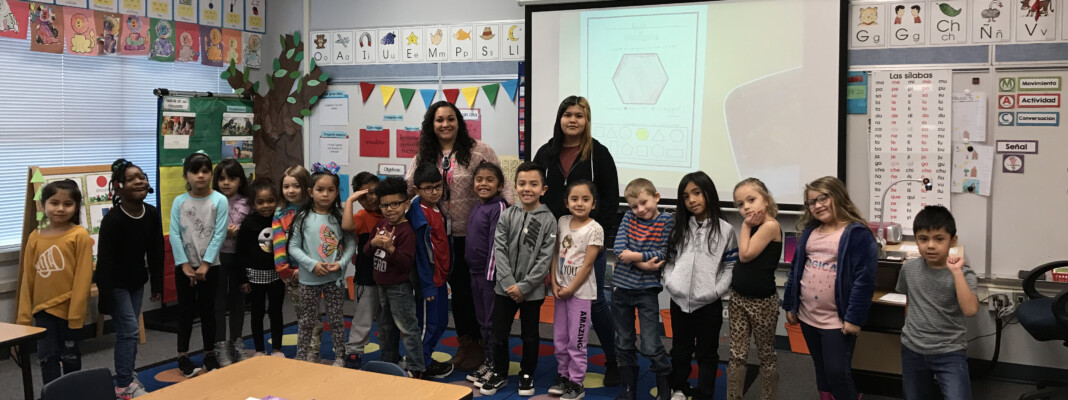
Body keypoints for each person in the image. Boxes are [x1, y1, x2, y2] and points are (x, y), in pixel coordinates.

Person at [405, 101, 515, 369]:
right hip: (440, 236)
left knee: (474, 291)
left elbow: (501, 183)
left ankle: (482, 345)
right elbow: (410, 185)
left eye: (451, 118)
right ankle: (465, 343)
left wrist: (511, 216)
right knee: (455, 293)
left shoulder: (479, 150)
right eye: (439, 120)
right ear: (431, 125)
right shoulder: (424, 155)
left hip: (475, 234)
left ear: (459, 122)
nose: (445, 124)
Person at [532, 95, 621, 385]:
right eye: (567, 114)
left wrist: (598, 236)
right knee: (559, 300)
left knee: (595, 304)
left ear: (587, 120)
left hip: (587, 244)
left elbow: (609, 198)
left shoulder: (599, 154)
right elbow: (534, 191)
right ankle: (565, 364)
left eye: (579, 115)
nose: (572, 120)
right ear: (560, 118)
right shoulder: (546, 152)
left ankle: (612, 360)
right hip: (554, 241)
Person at [782, 176, 878, 400]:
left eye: (822, 198)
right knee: (821, 368)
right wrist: (790, 305)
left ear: (838, 196)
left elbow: (864, 280)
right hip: (808, 315)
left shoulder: (856, 234)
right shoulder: (811, 232)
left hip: (837, 319)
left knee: (837, 371)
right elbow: (796, 271)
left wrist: (854, 318)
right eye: (811, 202)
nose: (817, 205)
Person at [479, 162, 557, 396]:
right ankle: (500, 372)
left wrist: (523, 286)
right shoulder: (507, 215)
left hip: (531, 292)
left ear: (543, 189)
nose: (527, 189)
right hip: (504, 289)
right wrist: (509, 283)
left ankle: (526, 373)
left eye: (533, 184)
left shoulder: (549, 220)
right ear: (514, 188)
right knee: (499, 333)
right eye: (522, 184)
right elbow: (499, 249)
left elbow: (544, 259)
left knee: (530, 334)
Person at [663, 171, 738, 400]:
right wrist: (670, 283)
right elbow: (670, 261)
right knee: (680, 349)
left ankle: (705, 393)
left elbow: (730, 266)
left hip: (708, 304)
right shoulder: (679, 227)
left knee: (707, 353)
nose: (692, 200)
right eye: (686, 196)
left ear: (709, 193)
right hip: (678, 301)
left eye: (697, 193)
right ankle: (679, 387)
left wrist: (716, 291)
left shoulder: (726, 230)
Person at [95, 159, 164, 398]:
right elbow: (104, 262)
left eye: (142, 176)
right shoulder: (113, 220)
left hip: (137, 281)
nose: (139, 181)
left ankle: (127, 374)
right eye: (132, 178)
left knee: (130, 331)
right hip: (115, 284)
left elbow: (155, 251)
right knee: (129, 331)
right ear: (118, 186)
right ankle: (124, 385)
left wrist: (157, 283)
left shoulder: (151, 213)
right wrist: (105, 299)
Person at [17, 180, 93, 386]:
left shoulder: (79, 235)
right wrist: (23, 318)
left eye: (68, 204)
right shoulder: (35, 237)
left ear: (76, 207)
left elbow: (82, 278)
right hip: (43, 312)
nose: (60, 208)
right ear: (43, 205)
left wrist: (76, 316)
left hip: (69, 311)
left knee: (70, 357)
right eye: (54, 203)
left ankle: (71, 393)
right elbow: (28, 279)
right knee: (47, 357)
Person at [897, 205, 977, 400]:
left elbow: (970, 310)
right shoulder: (909, 269)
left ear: (952, 241)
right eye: (923, 239)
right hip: (913, 348)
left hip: (949, 351)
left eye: (939, 239)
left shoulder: (964, 273)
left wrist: (956, 272)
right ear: (916, 240)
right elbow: (909, 302)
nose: (930, 245)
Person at [611, 178, 674, 400]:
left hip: (647, 290)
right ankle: (629, 389)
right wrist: (641, 263)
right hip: (621, 288)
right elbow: (619, 247)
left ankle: (665, 382)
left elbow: (663, 253)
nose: (639, 209)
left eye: (644, 202)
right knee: (623, 341)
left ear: (656, 197)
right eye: (634, 206)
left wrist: (633, 256)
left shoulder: (667, 221)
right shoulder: (629, 217)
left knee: (650, 343)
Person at [288, 163, 355, 366]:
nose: (325, 194)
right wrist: (312, 265)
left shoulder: (340, 216)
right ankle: (301, 356)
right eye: (320, 189)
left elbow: (351, 243)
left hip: (334, 279)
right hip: (309, 280)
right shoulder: (302, 217)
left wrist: (341, 264)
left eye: (330, 190)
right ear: (310, 192)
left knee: (336, 320)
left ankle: (340, 357)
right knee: (307, 321)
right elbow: (293, 247)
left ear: (337, 192)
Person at [169, 151, 228, 377]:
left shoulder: (219, 200)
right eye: (195, 172)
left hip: (210, 266)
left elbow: (219, 233)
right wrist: (184, 265)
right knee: (185, 311)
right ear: (186, 176)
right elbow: (175, 234)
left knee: (208, 311)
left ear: (211, 174)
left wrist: (205, 264)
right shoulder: (179, 201)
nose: (200, 176)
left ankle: (209, 353)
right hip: (184, 266)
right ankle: (182, 355)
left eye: (205, 171)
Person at [727, 178, 783, 400]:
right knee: (736, 354)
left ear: (766, 199)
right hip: (739, 298)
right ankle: (733, 396)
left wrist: (747, 225)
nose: (746, 207)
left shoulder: (770, 226)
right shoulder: (753, 226)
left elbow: (745, 254)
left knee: (766, 354)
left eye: (751, 200)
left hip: (762, 303)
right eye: (740, 204)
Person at [549, 179, 604, 400]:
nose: (579, 203)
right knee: (560, 338)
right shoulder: (561, 221)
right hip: (560, 291)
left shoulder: (595, 229)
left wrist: (571, 288)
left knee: (576, 340)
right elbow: (555, 254)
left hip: (579, 294)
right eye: (574, 199)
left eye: (585, 199)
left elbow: (588, 264)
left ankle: (576, 382)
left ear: (593, 204)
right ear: (566, 202)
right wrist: (554, 282)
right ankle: (563, 376)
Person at [367, 177, 424, 377]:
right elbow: (367, 252)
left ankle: (416, 368)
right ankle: (389, 362)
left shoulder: (406, 231)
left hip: (400, 288)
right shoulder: (381, 224)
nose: (389, 209)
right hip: (382, 285)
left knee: (407, 328)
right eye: (384, 205)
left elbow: (405, 263)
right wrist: (373, 243)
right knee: (385, 328)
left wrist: (390, 248)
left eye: (395, 204)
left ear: (406, 204)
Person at [408, 163, 455, 379]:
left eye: (437, 186)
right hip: (428, 281)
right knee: (427, 325)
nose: (434, 191)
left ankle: (426, 358)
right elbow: (419, 255)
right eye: (428, 188)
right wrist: (426, 285)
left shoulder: (438, 208)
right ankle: (419, 366)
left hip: (441, 278)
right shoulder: (418, 214)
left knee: (442, 323)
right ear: (417, 189)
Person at [464, 162, 508, 387]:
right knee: (482, 321)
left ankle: (496, 364)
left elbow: (496, 244)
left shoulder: (498, 207)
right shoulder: (476, 207)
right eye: (479, 179)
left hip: (490, 277)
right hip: (474, 273)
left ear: (500, 185)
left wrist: (491, 275)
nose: (483, 183)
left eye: (489, 179)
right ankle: (488, 359)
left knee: (492, 322)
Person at [272, 165, 323, 360]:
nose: (290, 191)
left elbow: (318, 244)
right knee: (301, 314)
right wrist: (284, 270)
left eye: (296, 186)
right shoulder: (280, 214)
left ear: (306, 188)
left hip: (311, 271)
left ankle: (312, 351)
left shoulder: (314, 212)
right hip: (291, 274)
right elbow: (278, 243)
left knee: (312, 314)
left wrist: (307, 268)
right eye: (286, 186)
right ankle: (304, 350)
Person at [237, 178, 287, 358]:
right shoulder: (249, 223)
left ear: (277, 201)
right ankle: (259, 349)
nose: (266, 205)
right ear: (253, 203)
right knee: (257, 313)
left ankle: (277, 349)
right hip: (254, 276)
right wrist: (242, 279)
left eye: (270, 201)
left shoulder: (280, 220)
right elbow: (240, 252)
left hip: (277, 275)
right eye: (260, 202)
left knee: (276, 312)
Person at [340, 172, 382, 369]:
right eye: (364, 196)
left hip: (391, 278)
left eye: (374, 192)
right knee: (362, 317)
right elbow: (346, 227)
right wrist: (350, 201)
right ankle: (354, 351)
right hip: (366, 278)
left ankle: (389, 351)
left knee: (388, 320)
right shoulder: (362, 216)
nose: (371, 198)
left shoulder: (391, 211)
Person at [212, 158, 251, 366]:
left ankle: (237, 342)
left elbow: (253, 229)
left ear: (240, 181)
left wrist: (239, 234)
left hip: (239, 259)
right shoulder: (211, 200)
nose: (226, 183)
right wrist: (223, 233)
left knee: (238, 301)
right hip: (217, 258)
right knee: (218, 303)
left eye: (232, 178)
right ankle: (220, 345)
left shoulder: (247, 202)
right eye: (222, 178)